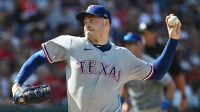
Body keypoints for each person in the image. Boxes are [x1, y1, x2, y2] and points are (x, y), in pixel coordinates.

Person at [12, 5, 181, 112]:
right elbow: (37, 58)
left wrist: (172, 40)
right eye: (85, 21)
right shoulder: (71, 44)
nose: (87, 24)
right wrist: (18, 83)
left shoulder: (123, 55)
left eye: (92, 20)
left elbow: (156, 73)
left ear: (106, 23)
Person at [120, 32, 176, 112]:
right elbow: (125, 86)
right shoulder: (125, 65)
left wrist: (163, 107)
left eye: (131, 44)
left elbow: (171, 85)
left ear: (139, 45)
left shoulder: (150, 64)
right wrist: (123, 103)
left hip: (154, 109)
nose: (127, 47)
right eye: (126, 44)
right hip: (136, 109)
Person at [139, 22, 187, 111]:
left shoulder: (164, 49)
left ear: (154, 33)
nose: (144, 35)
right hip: (141, 100)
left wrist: (183, 95)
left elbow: (178, 73)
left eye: (146, 33)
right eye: (142, 33)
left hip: (164, 97)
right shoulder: (137, 51)